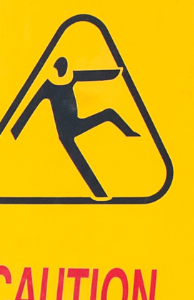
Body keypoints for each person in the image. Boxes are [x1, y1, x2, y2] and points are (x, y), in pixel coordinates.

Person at [10, 55, 140, 198]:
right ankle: (100, 195)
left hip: (77, 124)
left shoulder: (71, 78)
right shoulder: (48, 86)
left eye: (65, 67)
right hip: (65, 134)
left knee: (109, 113)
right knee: (82, 165)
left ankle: (130, 134)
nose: (63, 70)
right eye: (61, 68)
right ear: (56, 69)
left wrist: (117, 73)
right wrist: (13, 132)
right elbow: (30, 108)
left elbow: (93, 75)